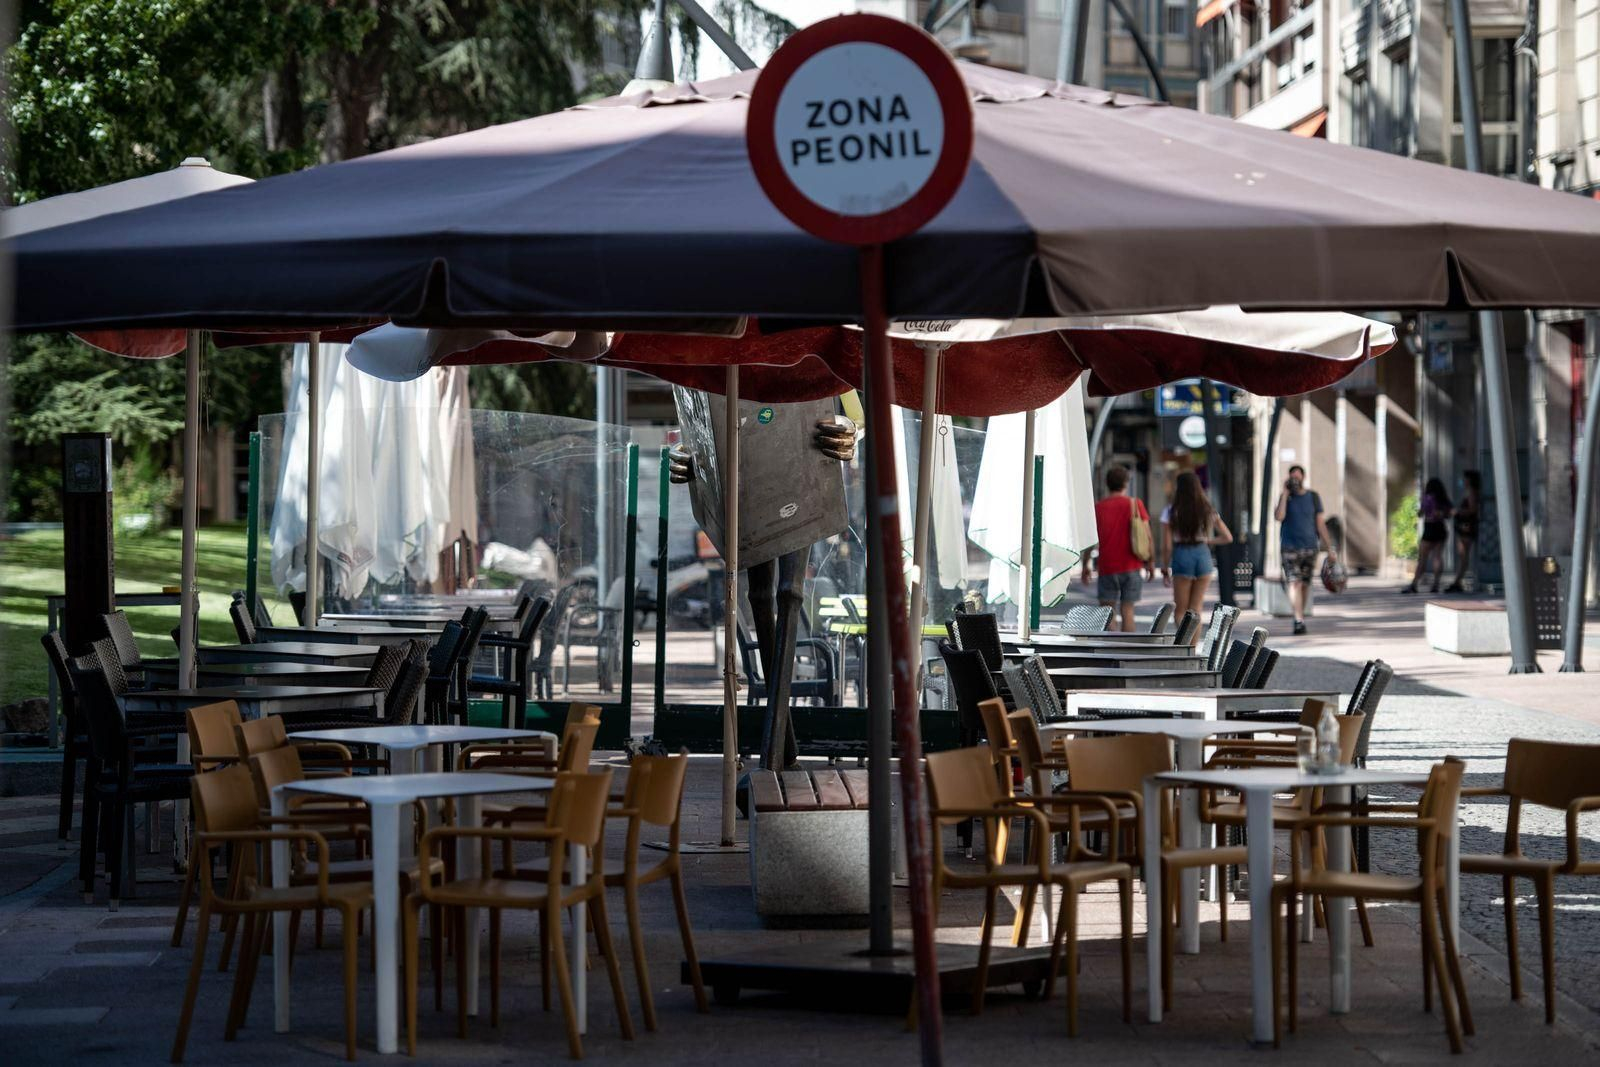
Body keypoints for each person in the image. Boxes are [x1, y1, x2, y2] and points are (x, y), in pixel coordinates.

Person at [1160, 471, 1232, 644]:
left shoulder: (1171, 511)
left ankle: (1185, 646)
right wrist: (1208, 540)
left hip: (1182, 554)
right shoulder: (1207, 509)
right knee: (1196, 609)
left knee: (1180, 609)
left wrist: (1164, 566)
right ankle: (1193, 648)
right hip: (1202, 555)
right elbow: (1228, 537)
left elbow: (1167, 546)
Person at [1081, 465, 1154, 632]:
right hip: (1132, 565)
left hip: (1107, 566)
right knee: (1128, 610)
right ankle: (1128, 652)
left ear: (1107, 484)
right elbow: (1147, 535)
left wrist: (1086, 564)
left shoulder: (1099, 508)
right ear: (1126, 483)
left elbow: (1091, 540)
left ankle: (1111, 649)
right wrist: (1151, 561)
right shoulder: (1135, 504)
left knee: (1108, 613)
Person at [1273, 464, 1336, 635]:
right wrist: (1285, 495)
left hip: (1309, 547)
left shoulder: (1313, 497)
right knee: (1295, 582)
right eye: (1292, 476)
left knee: (1305, 585)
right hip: (1289, 548)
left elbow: (1320, 524)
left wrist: (1330, 548)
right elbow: (1279, 517)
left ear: (1303, 477)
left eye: (1297, 476)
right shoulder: (1284, 497)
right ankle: (1298, 619)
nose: (1295, 479)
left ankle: (1300, 614)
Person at [1403, 477, 1453, 595]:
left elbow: (1420, 513)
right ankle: (1436, 584)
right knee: (1437, 556)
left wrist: (1424, 510)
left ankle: (1414, 584)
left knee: (1423, 558)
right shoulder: (1443, 499)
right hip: (1440, 528)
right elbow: (1449, 512)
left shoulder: (1428, 498)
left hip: (1430, 528)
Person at [1444, 470, 1481, 593]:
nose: (1462, 481)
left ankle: (1458, 581)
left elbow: (1472, 510)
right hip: (1464, 525)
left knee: (1464, 556)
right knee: (1462, 556)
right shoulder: (1469, 492)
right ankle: (1458, 581)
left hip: (1467, 525)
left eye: (1464, 479)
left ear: (1469, 480)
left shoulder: (1471, 492)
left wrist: (1458, 511)